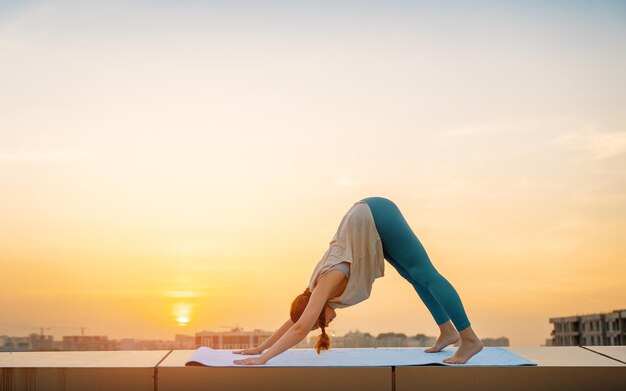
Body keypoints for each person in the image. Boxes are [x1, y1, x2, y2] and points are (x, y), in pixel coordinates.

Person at [233, 197, 483, 365]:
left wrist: (263, 360)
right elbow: (296, 320)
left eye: (322, 322)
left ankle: (469, 338)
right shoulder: (314, 296)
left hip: (375, 214)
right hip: (367, 223)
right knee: (413, 276)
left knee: (424, 272)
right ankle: (447, 331)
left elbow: (299, 328)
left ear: (318, 309)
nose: (329, 323)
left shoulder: (326, 283)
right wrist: (260, 348)